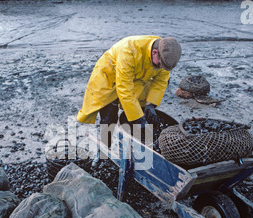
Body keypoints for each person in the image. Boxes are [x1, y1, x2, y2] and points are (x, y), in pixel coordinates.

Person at [76, 35, 182, 164]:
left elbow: (160, 81)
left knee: (141, 113)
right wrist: (138, 118)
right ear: (155, 52)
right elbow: (124, 89)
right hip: (109, 77)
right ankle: (103, 154)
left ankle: (139, 154)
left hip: (137, 78)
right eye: (160, 65)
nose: (161, 68)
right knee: (109, 119)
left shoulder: (166, 54)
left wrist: (151, 104)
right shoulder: (129, 50)